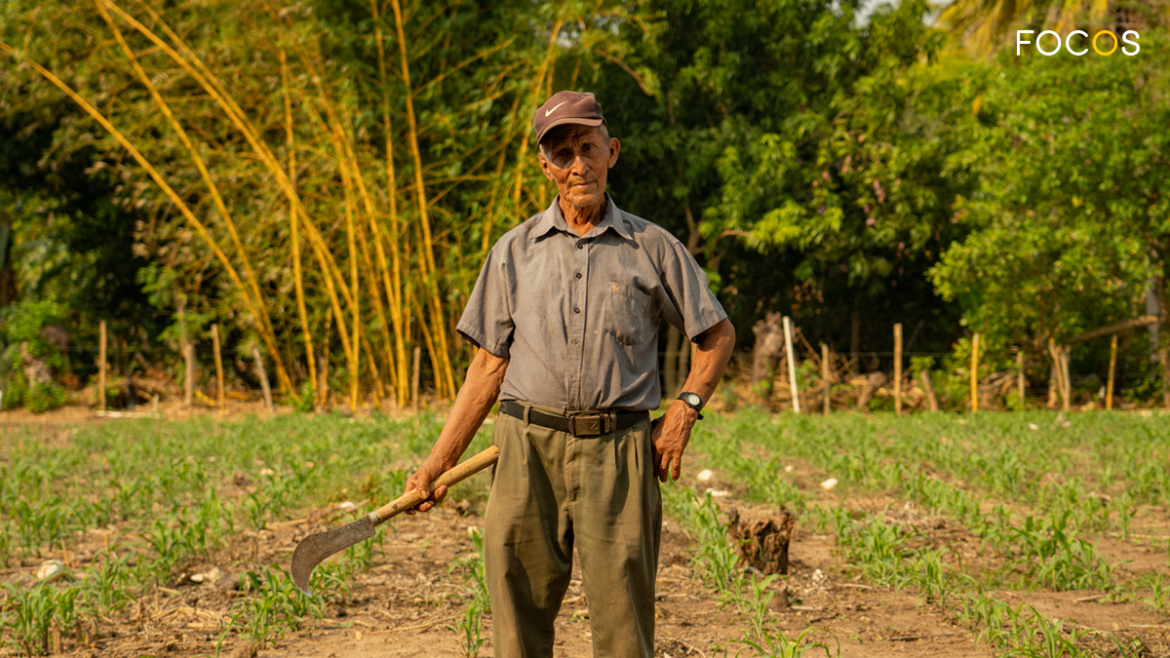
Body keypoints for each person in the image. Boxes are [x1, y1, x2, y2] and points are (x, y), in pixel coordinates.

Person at [403, 90, 736, 658]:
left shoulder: (652, 248)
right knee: (517, 623)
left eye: (587, 147)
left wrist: (685, 409)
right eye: (562, 153)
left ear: (612, 151)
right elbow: (487, 366)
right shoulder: (513, 251)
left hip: (620, 453)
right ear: (545, 166)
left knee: (624, 630)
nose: (577, 164)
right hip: (524, 452)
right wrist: (437, 463)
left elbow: (717, 335)